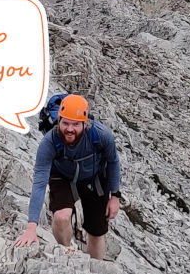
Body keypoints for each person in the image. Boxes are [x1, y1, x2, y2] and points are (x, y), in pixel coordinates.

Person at [12, 94, 123, 259]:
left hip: (95, 178)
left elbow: (113, 162)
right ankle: (66, 254)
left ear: (85, 123)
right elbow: (40, 182)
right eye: (65, 123)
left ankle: (95, 268)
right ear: (59, 121)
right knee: (61, 217)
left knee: (96, 232)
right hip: (62, 176)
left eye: (75, 124)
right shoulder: (49, 142)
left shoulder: (101, 135)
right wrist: (31, 227)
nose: (69, 129)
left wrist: (115, 196)